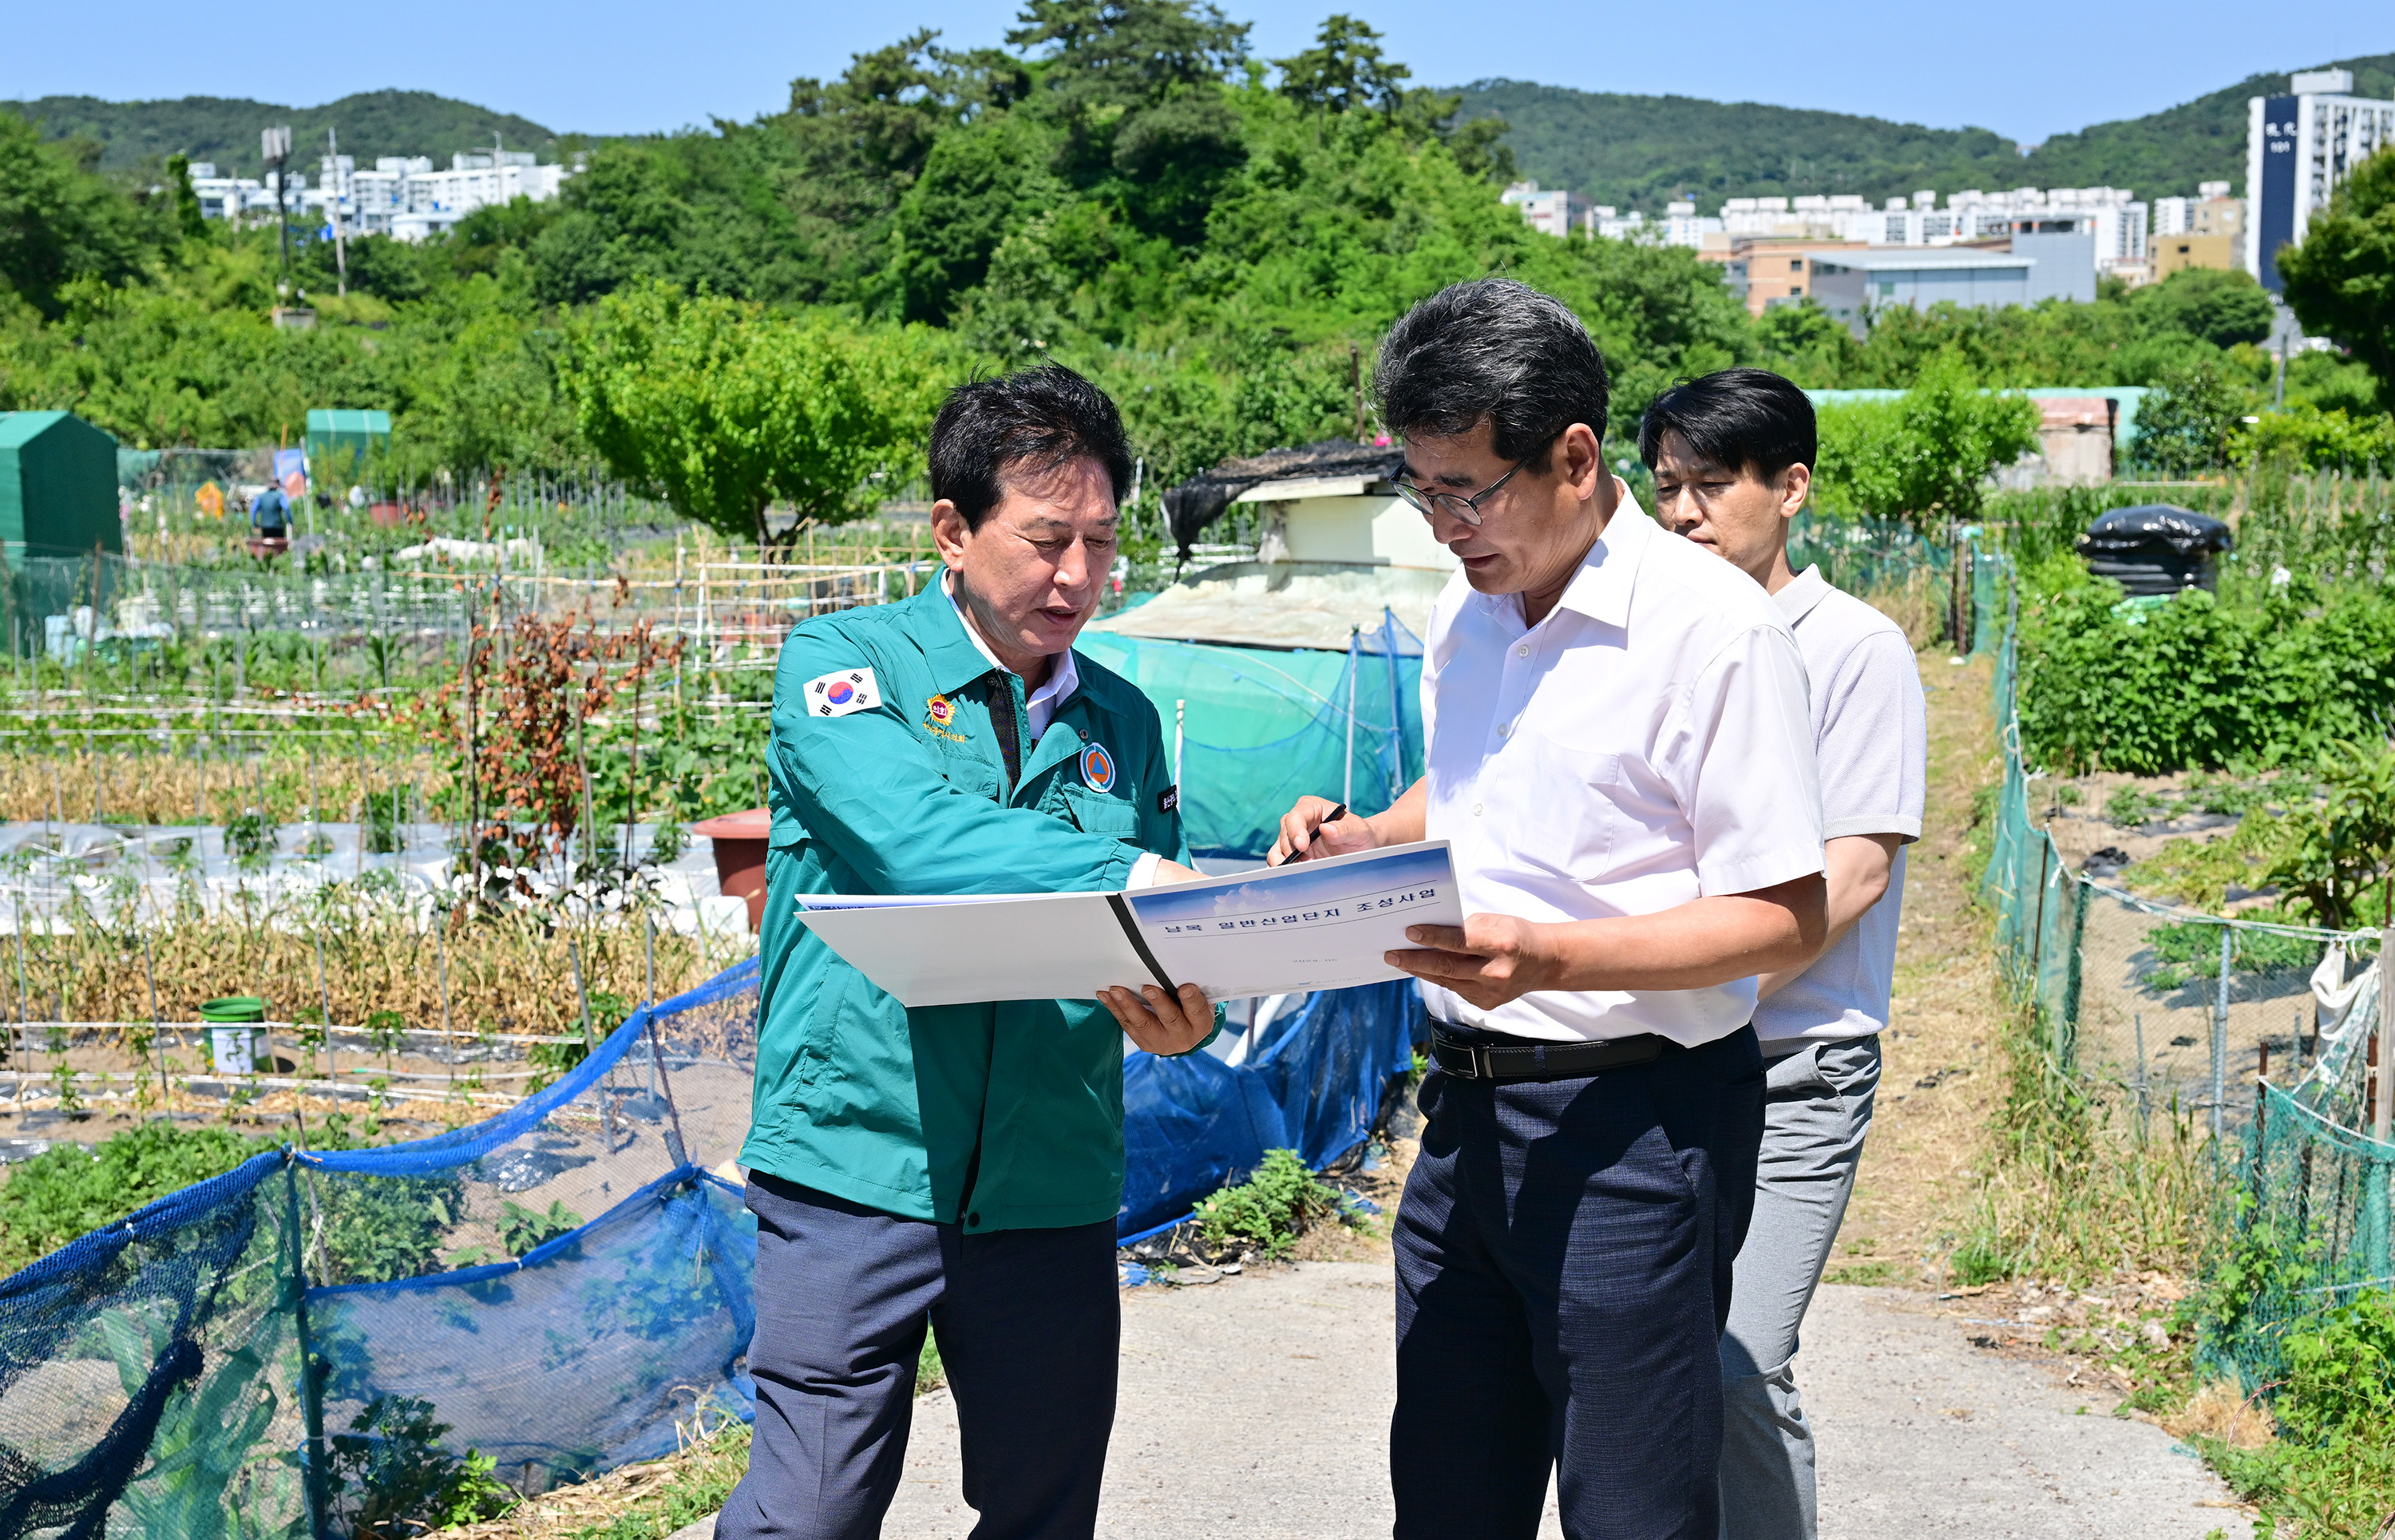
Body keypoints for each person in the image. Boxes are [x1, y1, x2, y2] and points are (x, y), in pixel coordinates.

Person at [1261, 278, 1829, 1540]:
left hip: (1631, 1120)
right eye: (1424, 490)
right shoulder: (1463, 611)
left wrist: (1555, 956)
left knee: (1631, 1508)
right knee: (1451, 1495)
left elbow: (1787, 913)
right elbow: (1483, 784)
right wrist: (1365, 836)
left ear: (1575, 456)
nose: (1446, 524)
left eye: (1470, 490)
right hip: (1461, 1115)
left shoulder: (1713, 632)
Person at [718, 363, 1219, 1540]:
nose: (1080, 578)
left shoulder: (1125, 725)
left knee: (1043, 1515)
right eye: (1047, 540)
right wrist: (1129, 876)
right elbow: (909, 841)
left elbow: (1149, 946)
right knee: (809, 1513)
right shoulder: (843, 671)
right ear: (951, 530)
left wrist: (1183, 1011)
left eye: (1102, 543)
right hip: (855, 1165)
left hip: (1049, 1182)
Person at [1641, 368, 1927, 1540]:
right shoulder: (1662, 641)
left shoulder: (1853, 649)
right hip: (1660, 1058)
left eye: (1713, 485)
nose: (1684, 513)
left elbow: (1851, 876)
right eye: (1666, 487)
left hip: (1794, 1063)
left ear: (1792, 487)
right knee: (1642, 1359)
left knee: (1737, 1355)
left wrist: (1682, 987)